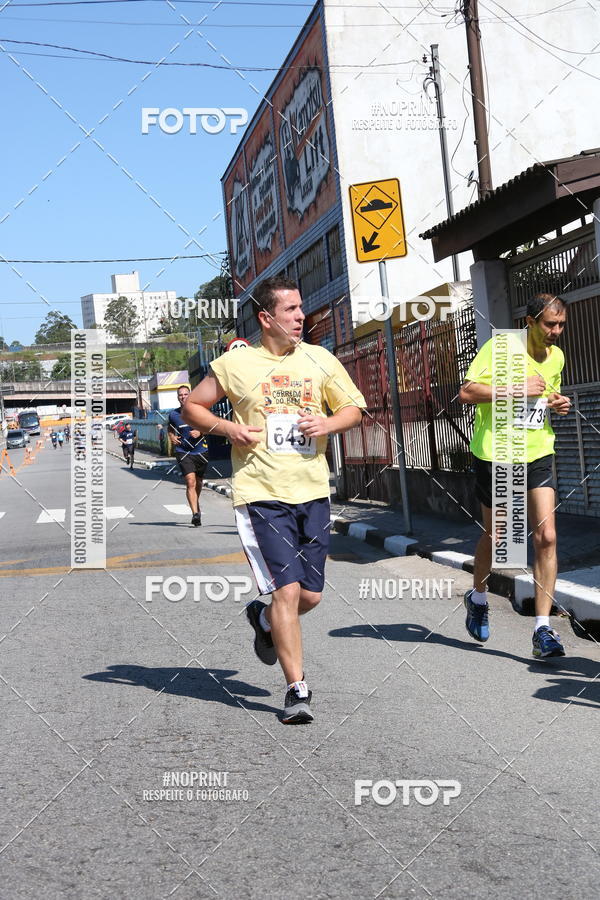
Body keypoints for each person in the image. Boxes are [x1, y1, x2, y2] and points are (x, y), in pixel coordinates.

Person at [183, 276, 365, 724]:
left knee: (312, 596)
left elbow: (353, 408)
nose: (301, 316)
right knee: (286, 591)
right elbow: (194, 408)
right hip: (262, 494)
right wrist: (231, 429)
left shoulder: (319, 359)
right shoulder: (235, 364)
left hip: (313, 491)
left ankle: (264, 622)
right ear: (266, 318)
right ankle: (296, 689)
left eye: (301, 308)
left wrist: (327, 424)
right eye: (290, 310)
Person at [458, 293, 571, 658]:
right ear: (530, 322)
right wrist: (517, 388)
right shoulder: (502, 348)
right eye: (549, 324)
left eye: (561, 325)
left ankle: (543, 630)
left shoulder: (556, 358)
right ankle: (477, 597)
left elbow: (544, 396)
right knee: (500, 536)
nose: (556, 331)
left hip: (537, 451)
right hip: (497, 452)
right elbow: (467, 392)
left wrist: (557, 401)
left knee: (547, 536)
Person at [168, 385, 208, 527]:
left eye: (186, 394)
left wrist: (200, 432)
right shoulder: (173, 414)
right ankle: (195, 514)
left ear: (190, 395)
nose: (183, 397)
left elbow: (211, 426)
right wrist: (172, 437)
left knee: (198, 482)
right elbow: (170, 429)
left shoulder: (200, 410)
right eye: (180, 395)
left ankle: (195, 501)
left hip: (201, 451)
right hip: (183, 451)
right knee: (190, 481)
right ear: (178, 397)